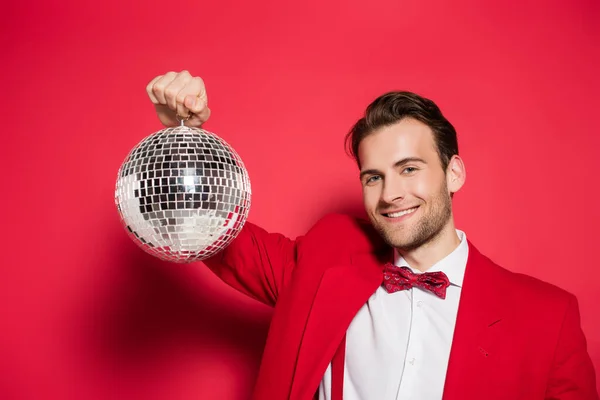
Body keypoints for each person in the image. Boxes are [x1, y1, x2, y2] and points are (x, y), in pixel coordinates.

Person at [145, 70, 599, 400]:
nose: (391, 194)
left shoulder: (548, 318)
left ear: (453, 172)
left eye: (409, 169)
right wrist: (182, 136)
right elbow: (214, 234)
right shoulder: (327, 258)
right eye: (373, 177)